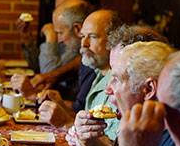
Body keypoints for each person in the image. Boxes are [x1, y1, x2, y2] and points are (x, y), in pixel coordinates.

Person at [38, 9, 123, 138]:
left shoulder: (118, 85)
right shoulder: (99, 74)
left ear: (114, 40)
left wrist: (65, 123)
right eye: (83, 36)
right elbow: (89, 123)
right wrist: (61, 106)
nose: (84, 43)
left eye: (93, 37)